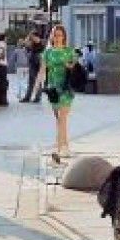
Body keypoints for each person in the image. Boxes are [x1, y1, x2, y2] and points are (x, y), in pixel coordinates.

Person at [31, 24, 75, 159]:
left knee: (63, 118)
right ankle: (63, 145)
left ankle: (61, 148)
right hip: (53, 88)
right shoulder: (48, 53)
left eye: (60, 35)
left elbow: (75, 69)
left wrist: (69, 66)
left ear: (64, 37)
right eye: (55, 35)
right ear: (52, 37)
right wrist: (35, 88)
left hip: (65, 88)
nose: (57, 38)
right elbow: (42, 71)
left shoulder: (69, 51)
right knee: (58, 119)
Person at [20, 30, 43, 103]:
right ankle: (28, 97)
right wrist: (28, 37)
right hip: (33, 61)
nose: (31, 37)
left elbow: (27, 42)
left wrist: (30, 35)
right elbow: (25, 43)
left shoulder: (38, 40)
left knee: (36, 79)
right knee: (31, 80)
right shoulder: (33, 42)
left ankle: (37, 97)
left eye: (32, 35)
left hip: (37, 61)